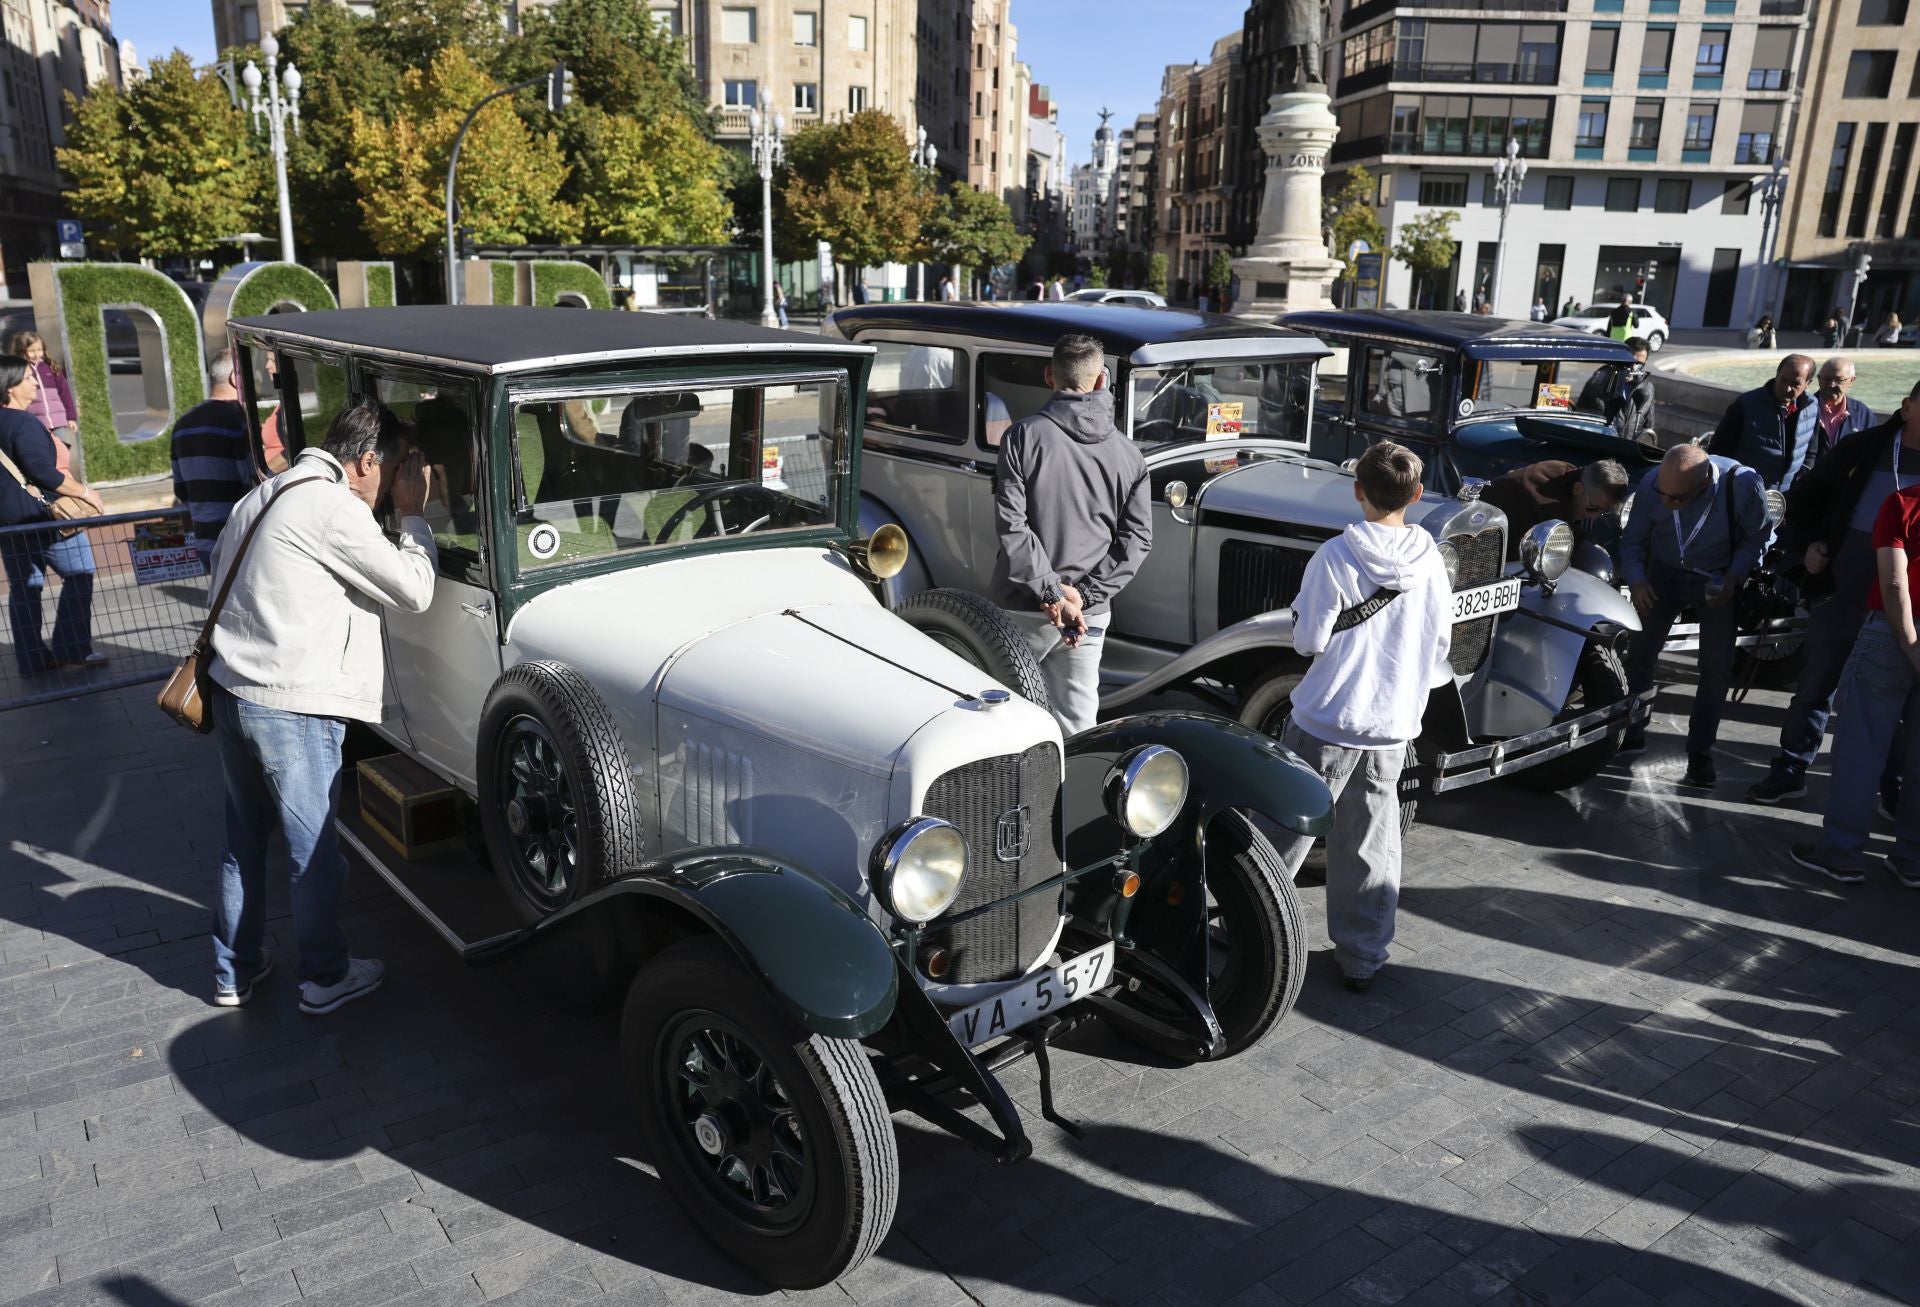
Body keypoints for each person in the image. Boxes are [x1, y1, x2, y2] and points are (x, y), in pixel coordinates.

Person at [205, 399, 435, 1012]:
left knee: (244, 842)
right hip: (291, 706)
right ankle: (326, 977)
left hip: (231, 691)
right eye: (397, 471)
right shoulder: (333, 506)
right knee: (312, 854)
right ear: (367, 461)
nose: (395, 488)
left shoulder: (263, 494)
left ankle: (233, 972)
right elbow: (414, 590)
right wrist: (414, 516)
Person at [1276, 441, 1451, 992]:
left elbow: (1308, 641)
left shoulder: (1334, 556)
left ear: (1358, 491)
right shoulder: (1431, 560)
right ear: (1417, 495)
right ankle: (1362, 957)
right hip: (1391, 725)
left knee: (1281, 837)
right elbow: (1441, 643)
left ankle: (1251, 928)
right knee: (1371, 842)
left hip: (1326, 718)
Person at [1749, 381, 1913, 808]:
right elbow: (1805, 499)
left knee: (1902, 696)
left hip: (1908, 609)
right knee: (1816, 684)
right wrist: (1810, 546)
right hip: (1842, 593)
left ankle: (1893, 785)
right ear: (1907, 407)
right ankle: (1791, 766)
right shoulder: (1863, 448)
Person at [991, 333, 1152, 735]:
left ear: (1049, 376)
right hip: (1089, 613)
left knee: (1006, 723)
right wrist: (1083, 596)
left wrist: (1052, 593)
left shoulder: (1022, 437)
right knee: (1077, 726)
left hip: (1022, 605)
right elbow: (1136, 540)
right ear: (1101, 380)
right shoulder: (1130, 454)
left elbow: (1013, 526)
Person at [1790, 462, 1920, 888]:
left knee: (1861, 749)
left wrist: (1910, 644)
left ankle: (1841, 854)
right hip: (1902, 636)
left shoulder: (1902, 504)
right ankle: (1912, 859)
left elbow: (1894, 583)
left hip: (1891, 633)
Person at [1618, 444, 1771, 787]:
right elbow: (1632, 539)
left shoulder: (1742, 484)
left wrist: (1733, 577)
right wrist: (1637, 579)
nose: (1665, 501)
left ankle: (1700, 751)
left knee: (1715, 669)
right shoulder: (1653, 484)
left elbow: (1759, 536)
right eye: (1662, 493)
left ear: (1703, 485)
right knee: (1640, 653)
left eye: (1676, 498)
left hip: (1717, 578)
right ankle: (1633, 731)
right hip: (1663, 574)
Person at [0, 354, 104, 675]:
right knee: (80, 572)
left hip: (8, 522)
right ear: (10, 387)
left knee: (25, 587)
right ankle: (72, 649)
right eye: (28, 378)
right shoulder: (23, 423)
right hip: (42, 517)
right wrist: (85, 493)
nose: (35, 382)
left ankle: (31, 660)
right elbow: (43, 473)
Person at [170, 350, 256, 569]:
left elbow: (181, 491)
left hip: (205, 542)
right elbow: (251, 482)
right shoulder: (236, 419)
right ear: (234, 378)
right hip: (241, 541)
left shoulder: (182, 425)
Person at [1707, 353, 1817, 489]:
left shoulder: (1812, 407)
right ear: (1777, 374)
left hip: (1786, 494)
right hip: (1744, 490)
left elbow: (1811, 452)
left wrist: (1801, 481)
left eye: (1795, 384)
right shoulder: (1745, 405)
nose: (1787, 388)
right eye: (1783, 380)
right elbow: (1718, 450)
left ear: (1808, 383)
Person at [1481, 458, 1631, 557]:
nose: (1594, 516)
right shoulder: (1547, 508)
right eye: (1593, 508)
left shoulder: (1571, 472)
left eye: (1604, 511)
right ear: (1577, 489)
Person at [6, 330, 78, 477]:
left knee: (64, 450)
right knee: (46, 453)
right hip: (39, 422)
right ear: (22, 350)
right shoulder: (21, 371)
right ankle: (52, 478)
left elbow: (65, 393)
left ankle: (66, 478)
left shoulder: (51, 367)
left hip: (58, 420)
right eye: (31, 351)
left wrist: (71, 417)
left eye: (39, 350)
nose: (36, 354)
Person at [1576, 336, 1658, 442]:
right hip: (1598, 443)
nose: (1633, 367)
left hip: (1627, 447)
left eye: (1639, 364)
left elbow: (1649, 427)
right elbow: (1581, 414)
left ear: (1645, 363)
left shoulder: (1647, 387)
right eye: (1630, 361)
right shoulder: (1601, 378)